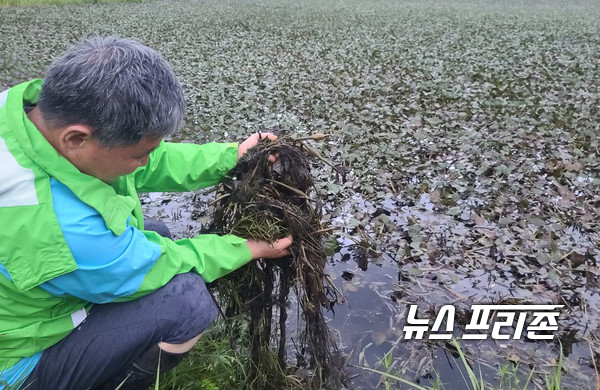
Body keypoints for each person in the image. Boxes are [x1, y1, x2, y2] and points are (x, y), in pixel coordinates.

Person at [0, 36, 293, 390]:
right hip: (19, 358)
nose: (145, 162)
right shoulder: (56, 225)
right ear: (76, 139)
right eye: (138, 154)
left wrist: (232, 156)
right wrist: (248, 248)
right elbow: (154, 263)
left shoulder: (28, 115)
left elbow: (150, 161)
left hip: (27, 298)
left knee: (156, 231)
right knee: (189, 303)